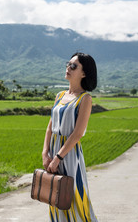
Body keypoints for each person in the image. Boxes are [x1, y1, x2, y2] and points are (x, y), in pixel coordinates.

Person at [42, 52, 98, 222]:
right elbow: (50, 127)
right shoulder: (59, 96)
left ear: (84, 73)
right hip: (53, 152)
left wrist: (58, 157)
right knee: (56, 198)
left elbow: (78, 133)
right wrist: (45, 153)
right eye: (68, 64)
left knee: (74, 199)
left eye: (74, 66)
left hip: (69, 155)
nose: (68, 68)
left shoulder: (85, 99)